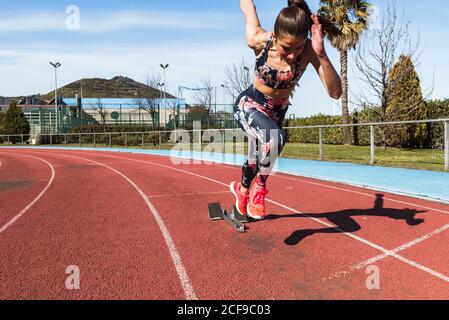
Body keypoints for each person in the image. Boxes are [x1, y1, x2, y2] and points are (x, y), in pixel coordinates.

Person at [230, 0, 342, 220]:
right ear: (275, 37)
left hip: (276, 111)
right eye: (286, 48)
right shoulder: (259, 40)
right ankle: (259, 190)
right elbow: (247, 7)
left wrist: (320, 54)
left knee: (257, 159)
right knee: (274, 138)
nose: (292, 56)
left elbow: (336, 92)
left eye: (298, 48)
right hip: (250, 104)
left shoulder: (310, 51)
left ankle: (242, 192)